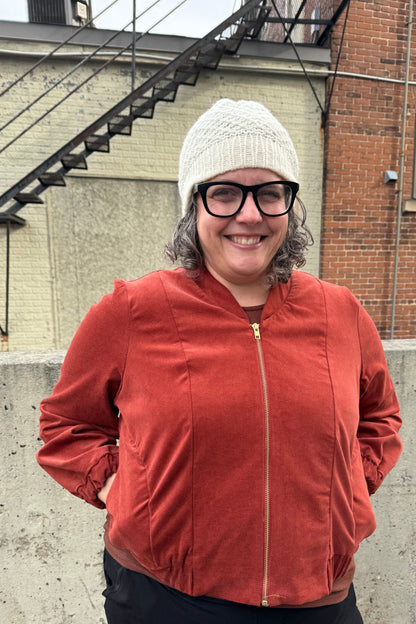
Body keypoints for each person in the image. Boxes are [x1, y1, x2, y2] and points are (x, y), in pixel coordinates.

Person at [37, 98, 402, 624]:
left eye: (269, 193)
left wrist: (346, 493)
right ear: (194, 206)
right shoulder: (131, 312)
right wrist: (126, 491)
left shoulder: (341, 312)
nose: (249, 215)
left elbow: (380, 419)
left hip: (319, 598)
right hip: (165, 598)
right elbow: (65, 425)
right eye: (224, 193)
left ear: (290, 207)